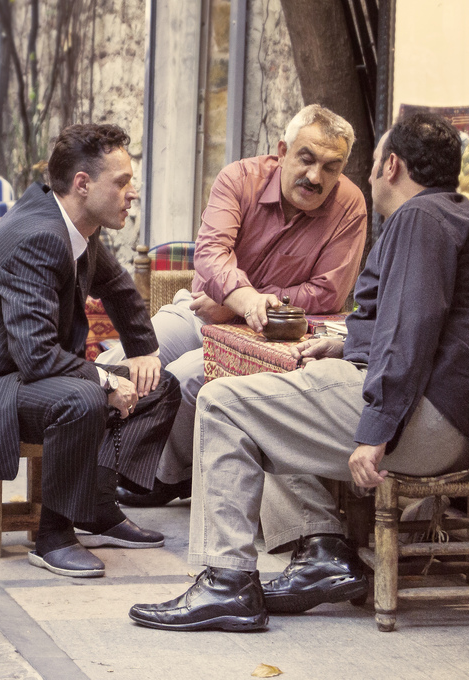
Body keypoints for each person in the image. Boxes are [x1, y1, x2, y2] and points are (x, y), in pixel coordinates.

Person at [128, 112, 469, 632]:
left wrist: (376, 431)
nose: (366, 177)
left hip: (426, 423)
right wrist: (345, 342)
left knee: (222, 401)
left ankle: (228, 583)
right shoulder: (449, 215)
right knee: (272, 399)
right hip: (445, 422)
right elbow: (411, 324)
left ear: (390, 165)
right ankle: (322, 550)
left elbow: (408, 338)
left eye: (368, 164)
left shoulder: (421, 220)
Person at [0, 123, 181, 579]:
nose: (132, 192)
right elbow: (38, 357)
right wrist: (105, 380)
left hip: (23, 375)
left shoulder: (76, 224)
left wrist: (142, 354)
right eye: (121, 182)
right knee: (81, 399)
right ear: (82, 184)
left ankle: (97, 508)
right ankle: (54, 536)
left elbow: (119, 288)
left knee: (160, 382)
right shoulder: (39, 236)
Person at [104, 104, 367, 510]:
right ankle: (89, 458)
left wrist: (244, 303)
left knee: (186, 379)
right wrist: (244, 299)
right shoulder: (239, 178)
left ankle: (164, 476)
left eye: (331, 167)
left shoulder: (349, 204)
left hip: (276, 334)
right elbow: (210, 255)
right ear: (282, 150)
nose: (316, 177)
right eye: (307, 158)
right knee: (129, 355)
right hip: (203, 312)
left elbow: (328, 293)